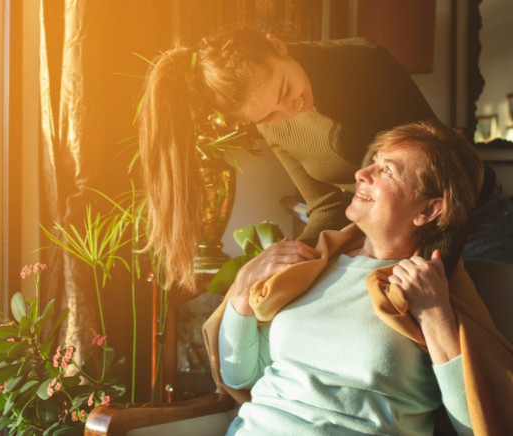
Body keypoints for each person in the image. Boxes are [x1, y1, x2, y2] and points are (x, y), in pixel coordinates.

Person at [137, 22, 513, 291]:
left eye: (286, 88)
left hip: (467, 214)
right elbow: (326, 202)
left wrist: (432, 275)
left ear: (278, 47)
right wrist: (296, 266)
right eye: (269, 115)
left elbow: (441, 180)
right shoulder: (272, 121)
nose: (290, 108)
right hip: (398, 236)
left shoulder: (363, 63)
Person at [203, 120, 513, 435]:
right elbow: (243, 378)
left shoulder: (432, 291)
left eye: (387, 171)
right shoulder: (313, 267)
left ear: (429, 209)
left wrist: (436, 316)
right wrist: (241, 294)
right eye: (373, 163)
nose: (361, 175)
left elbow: (478, 424)